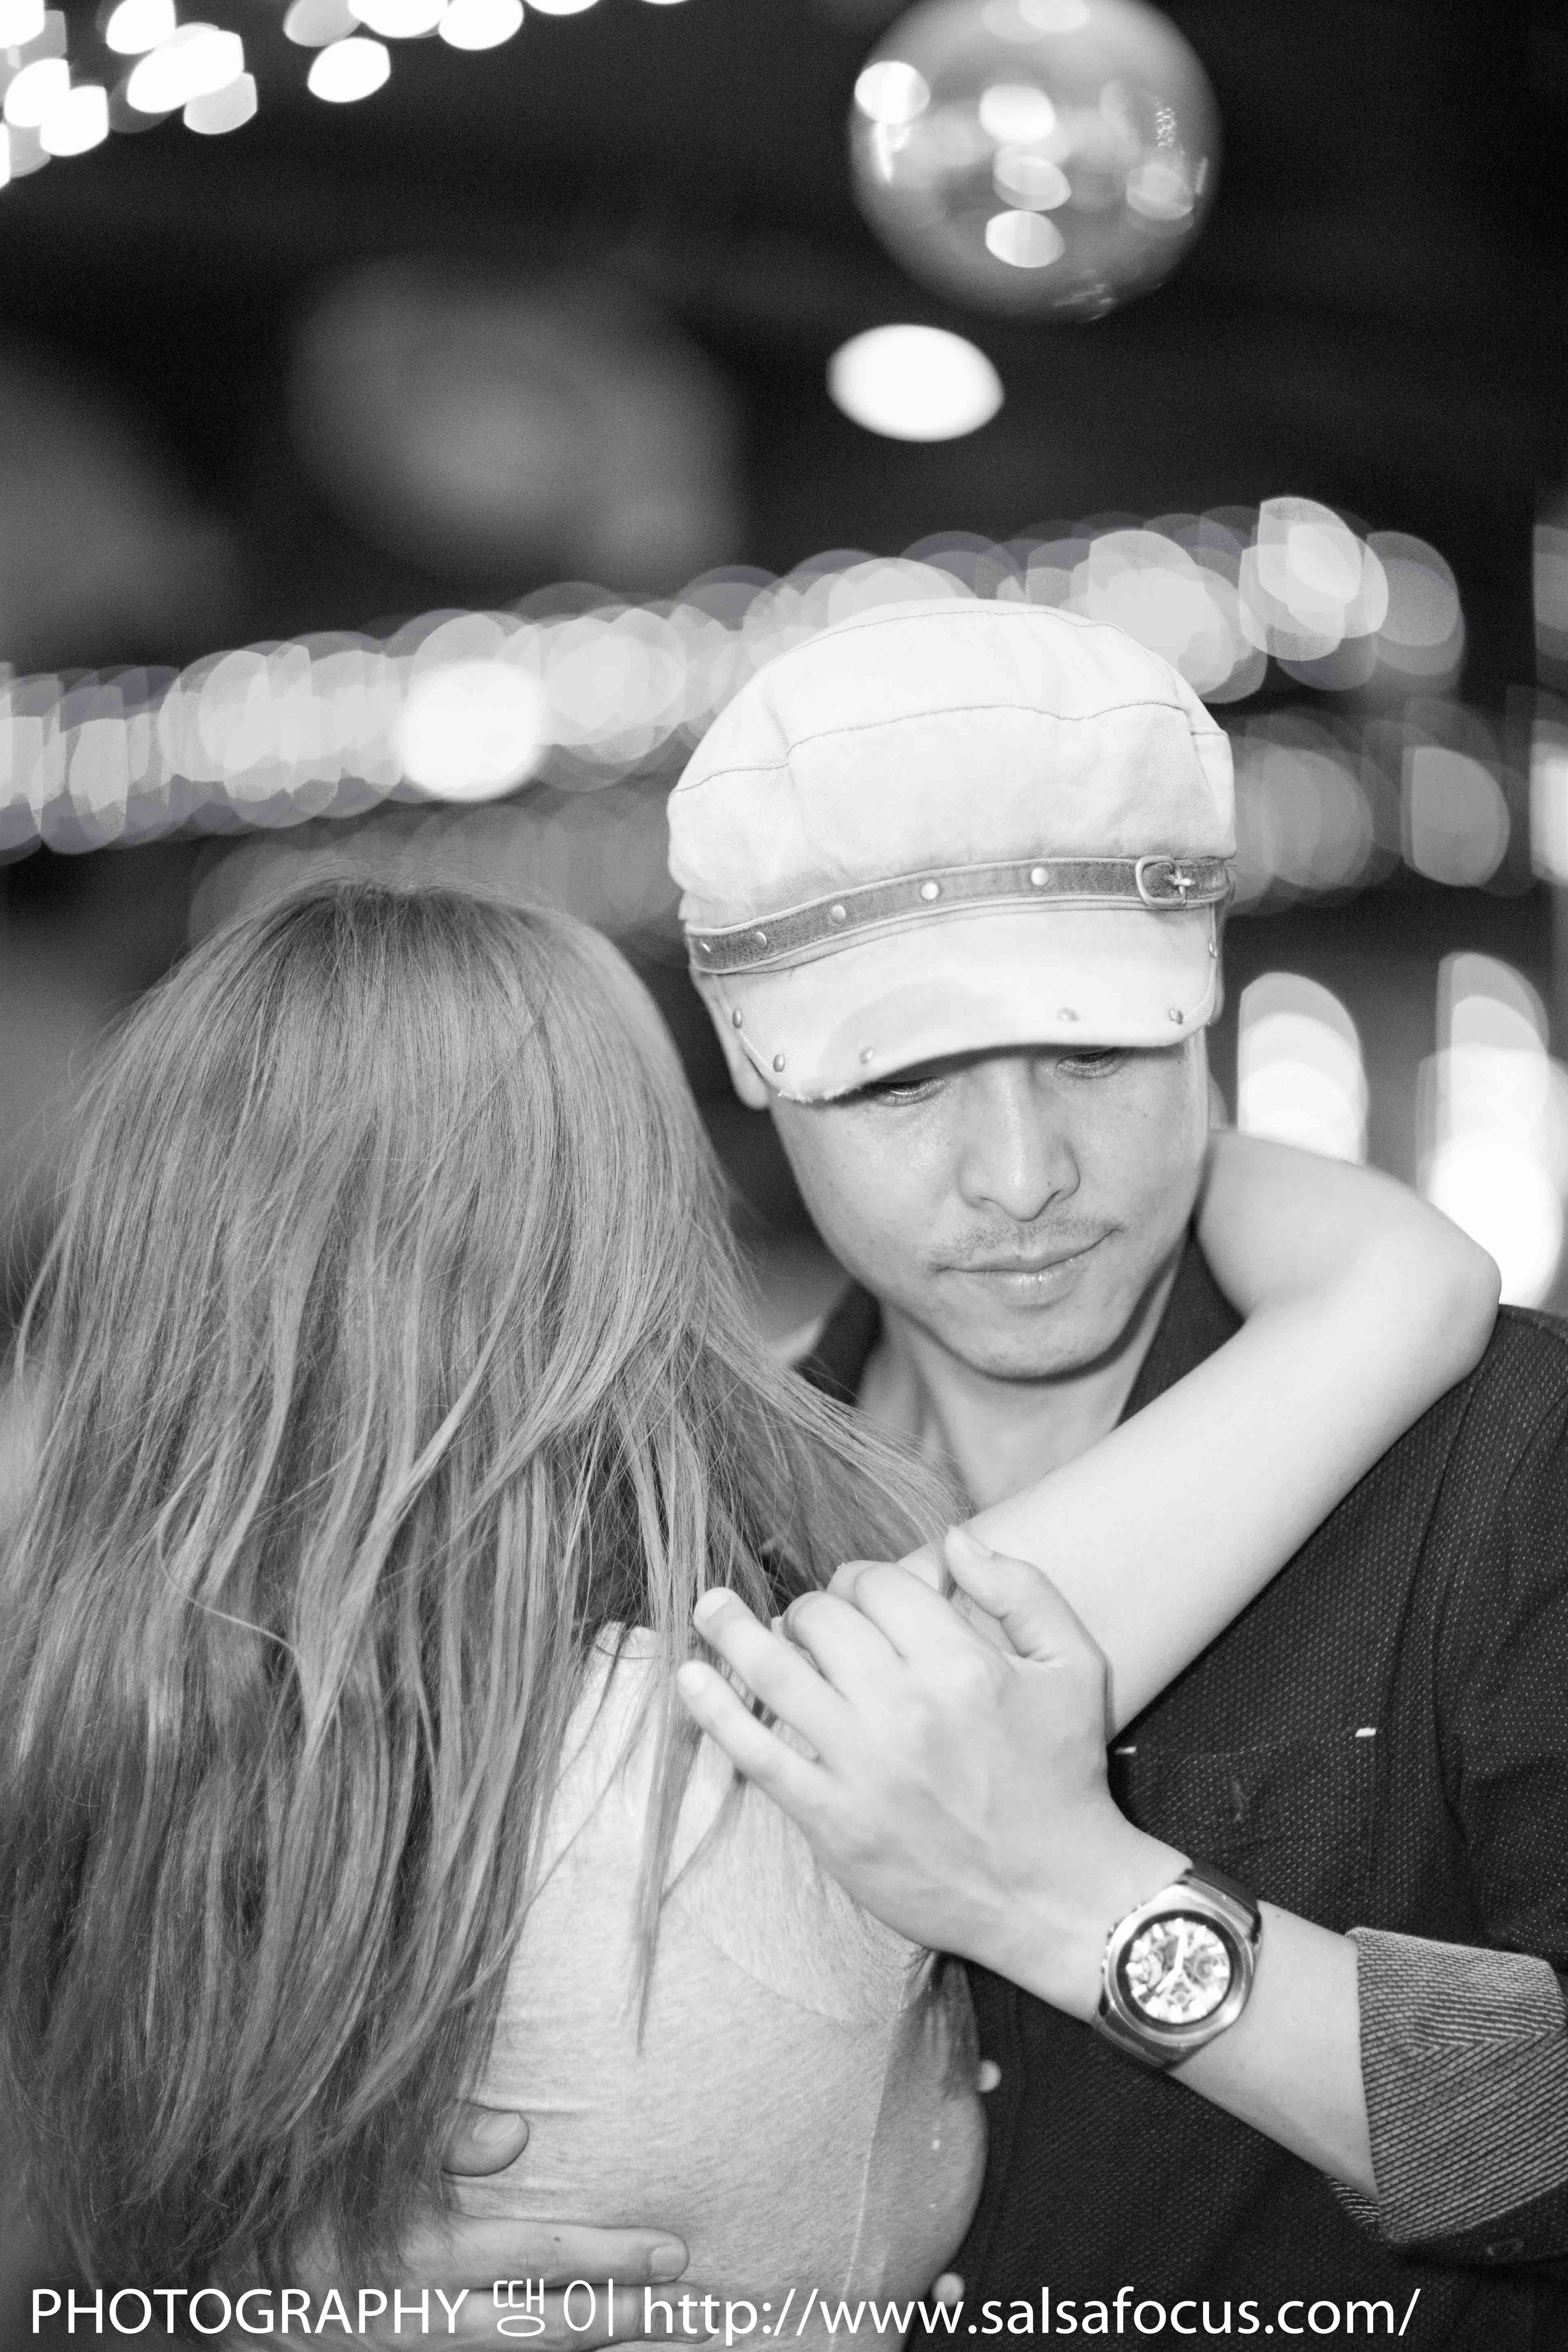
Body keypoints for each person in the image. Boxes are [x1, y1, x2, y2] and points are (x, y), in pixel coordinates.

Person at [0, 869, 1490, 2339]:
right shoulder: (764, 1744)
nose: (1015, 1167)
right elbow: (1403, 1288)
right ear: (622, 1228)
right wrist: (1142, 1102)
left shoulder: (100, 1736)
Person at [424, 600, 1568, 2349]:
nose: (1023, 1174)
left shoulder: (1508, 1458)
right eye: (902, 1085)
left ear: (1204, 1000)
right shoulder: (648, 1545)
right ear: (750, 1064)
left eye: (1096, 1052)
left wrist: (1075, 1899)